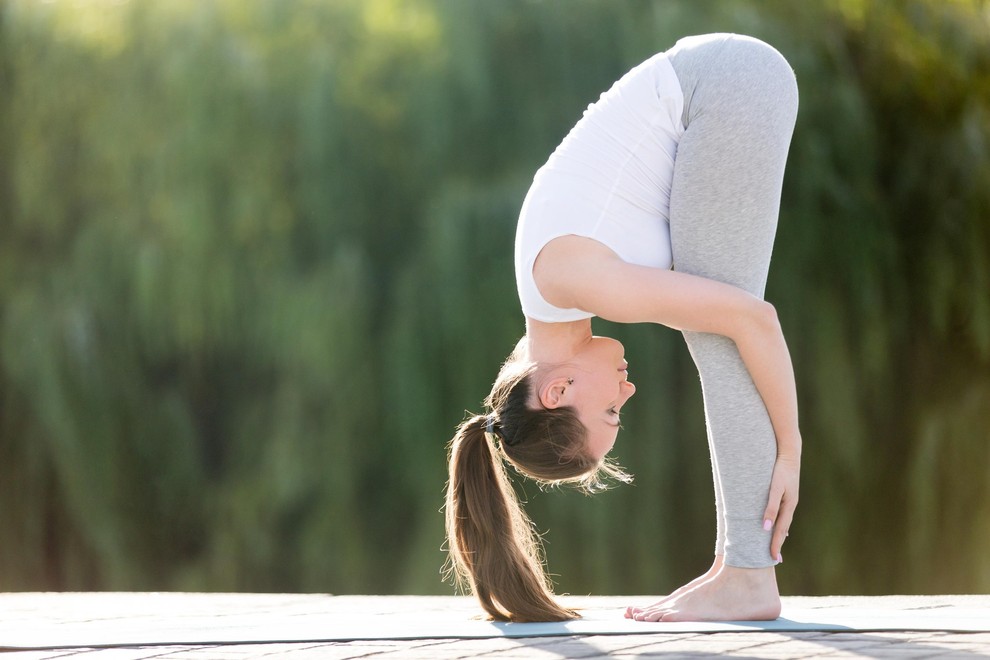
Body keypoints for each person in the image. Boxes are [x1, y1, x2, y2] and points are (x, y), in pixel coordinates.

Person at [444, 33, 801, 624]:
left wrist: (789, 450)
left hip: (727, 88)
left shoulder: (579, 282)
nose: (627, 394)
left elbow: (757, 321)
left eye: (611, 413)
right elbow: (520, 383)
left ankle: (745, 576)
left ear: (558, 393)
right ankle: (731, 569)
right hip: (726, 80)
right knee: (711, 324)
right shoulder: (550, 305)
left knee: (722, 331)